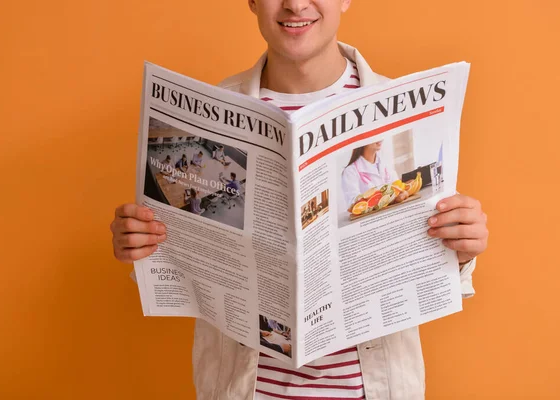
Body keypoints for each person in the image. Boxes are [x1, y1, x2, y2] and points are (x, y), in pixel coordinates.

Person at [110, 1, 489, 399]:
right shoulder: (213, 108)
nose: (295, 3)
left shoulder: (405, 107)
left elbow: (424, 268)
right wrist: (142, 245)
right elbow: (185, 261)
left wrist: (459, 249)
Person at [342, 140, 399, 207]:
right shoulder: (350, 171)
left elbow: (397, 186)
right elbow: (353, 203)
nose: (380, 138)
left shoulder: (385, 162)